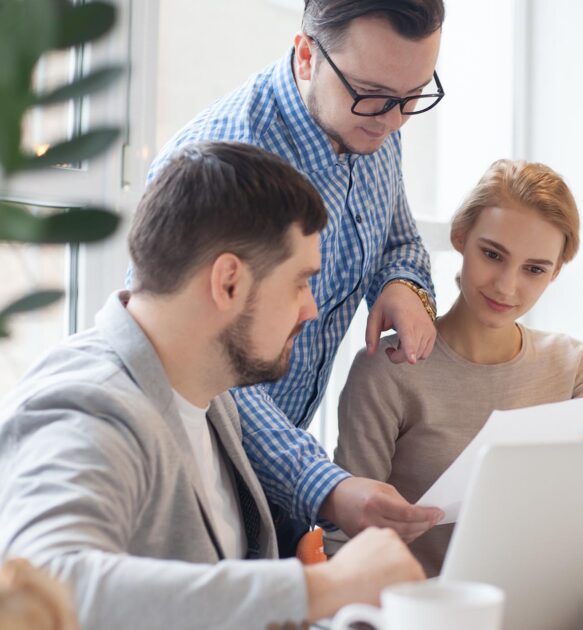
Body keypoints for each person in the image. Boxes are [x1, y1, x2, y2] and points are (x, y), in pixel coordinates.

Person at [0, 143, 424, 629]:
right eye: (300, 282)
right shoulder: (87, 406)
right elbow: (47, 583)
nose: (310, 309)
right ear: (228, 282)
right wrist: (321, 588)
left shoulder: (208, 391)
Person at [139, 0, 447, 546]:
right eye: (374, 96)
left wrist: (404, 285)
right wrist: (325, 486)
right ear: (307, 55)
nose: (395, 120)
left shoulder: (377, 117)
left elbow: (397, 239)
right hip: (195, 487)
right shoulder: (223, 161)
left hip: (286, 485)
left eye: (413, 97)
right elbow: (208, 365)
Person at [329, 159, 583, 577]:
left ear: (555, 271)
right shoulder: (391, 369)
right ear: (460, 236)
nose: (507, 286)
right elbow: (346, 537)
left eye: (534, 269)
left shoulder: (575, 367)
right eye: (492, 254)